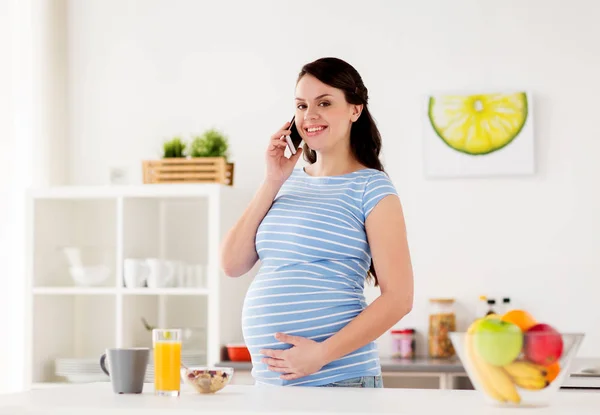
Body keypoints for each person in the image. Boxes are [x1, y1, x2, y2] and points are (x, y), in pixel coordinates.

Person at [220, 57, 414, 388]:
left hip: (338, 379)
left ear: (355, 110)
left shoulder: (372, 188)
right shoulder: (285, 184)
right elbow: (232, 264)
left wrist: (321, 354)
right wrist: (272, 180)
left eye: (324, 103)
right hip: (272, 386)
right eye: (301, 105)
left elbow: (399, 298)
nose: (310, 116)